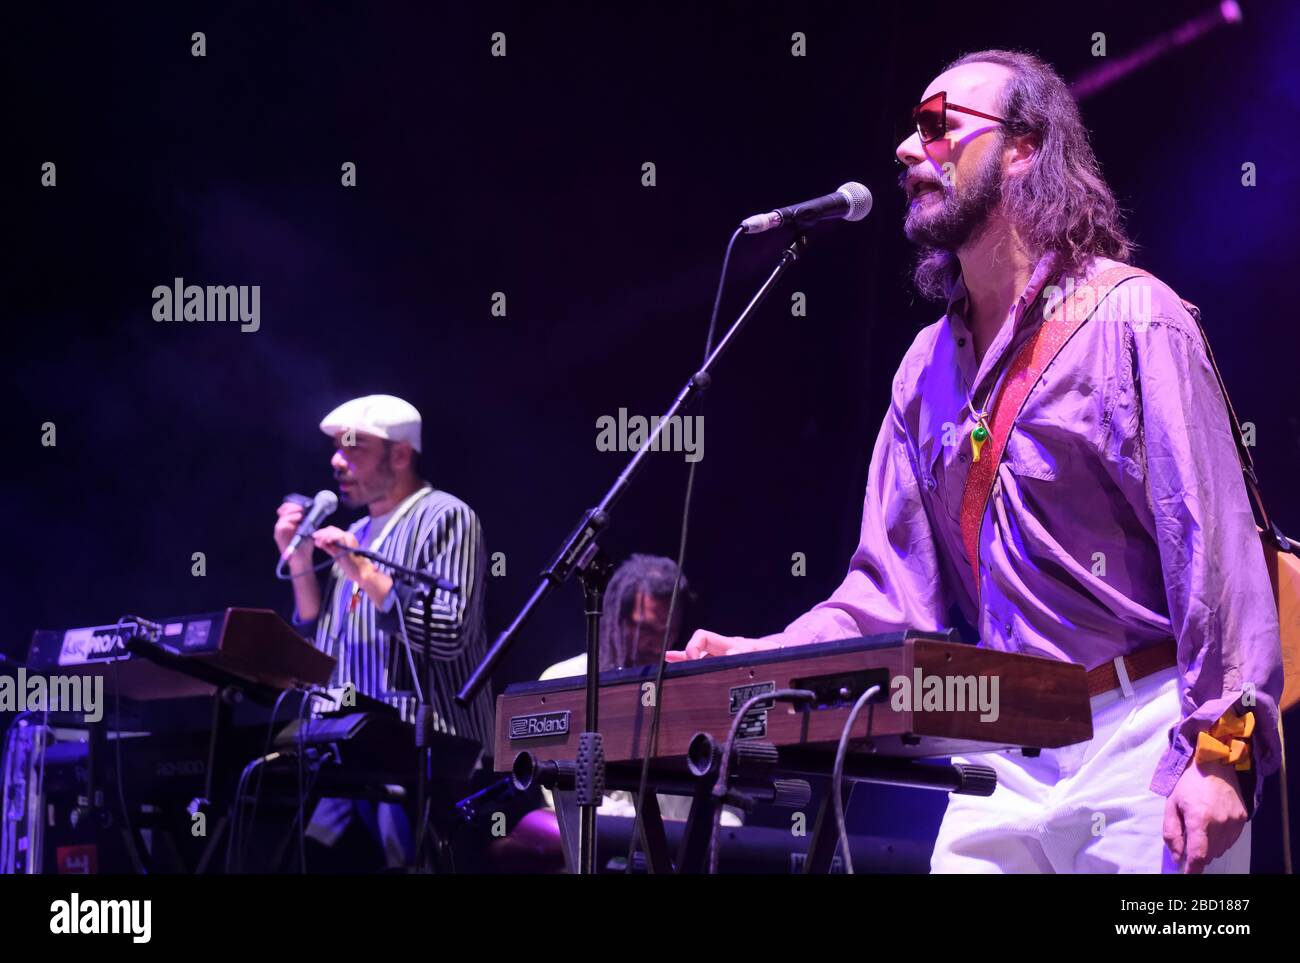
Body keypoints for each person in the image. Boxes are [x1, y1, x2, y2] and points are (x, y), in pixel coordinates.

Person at [670, 50, 1283, 874]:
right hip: (1001, 751)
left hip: (1147, 739)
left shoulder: (1137, 319)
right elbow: (888, 593)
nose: (905, 150)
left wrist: (1221, 752)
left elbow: (1216, 553)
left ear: (1025, 147)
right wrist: (768, 656)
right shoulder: (925, 371)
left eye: (937, 126)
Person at [273, 393, 492, 869]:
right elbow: (321, 634)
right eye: (335, 448)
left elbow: (450, 632)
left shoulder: (446, 516)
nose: (336, 460)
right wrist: (301, 559)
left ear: (400, 454)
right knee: (306, 856)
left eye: (353, 447)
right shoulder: (358, 534)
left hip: (429, 755)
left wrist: (361, 570)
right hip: (348, 749)